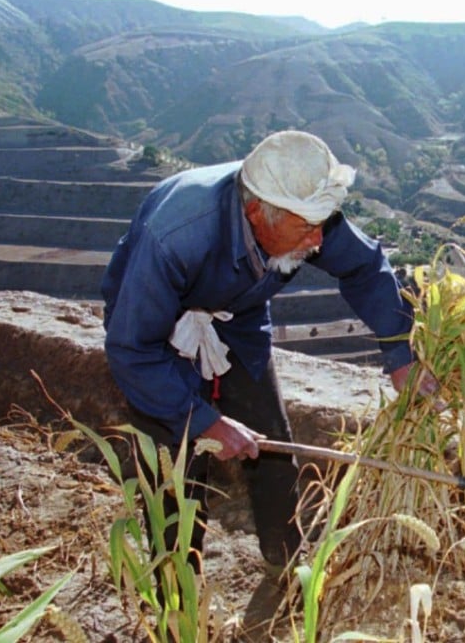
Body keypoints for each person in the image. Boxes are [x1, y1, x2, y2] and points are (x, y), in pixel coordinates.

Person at [100, 130, 428, 576]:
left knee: (271, 445)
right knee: (176, 471)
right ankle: (177, 597)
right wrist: (205, 422)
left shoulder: (303, 212)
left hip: (239, 322)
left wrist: (400, 354)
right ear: (256, 213)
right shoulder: (176, 236)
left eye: (322, 224)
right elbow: (132, 349)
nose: (317, 241)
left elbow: (365, 266)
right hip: (158, 334)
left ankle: (287, 562)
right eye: (305, 228)